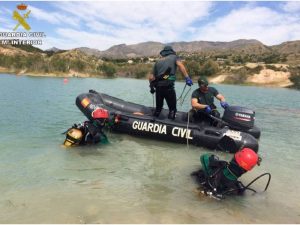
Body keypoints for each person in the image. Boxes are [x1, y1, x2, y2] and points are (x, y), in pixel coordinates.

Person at [191, 148, 260, 199]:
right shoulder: (238, 190)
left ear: (234, 158)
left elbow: (204, 157)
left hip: (198, 182)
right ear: (245, 171)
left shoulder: (217, 167)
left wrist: (216, 161)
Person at [149, 45, 193, 120]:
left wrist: (152, 87)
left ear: (164, 52)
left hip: (158, 87)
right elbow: (180, 65)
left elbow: (151, 77)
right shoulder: (174, 57)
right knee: (172, 109)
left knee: (158, 109)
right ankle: (170, 124)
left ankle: (152, 123)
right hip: (168, 86)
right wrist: (187, 78)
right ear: (171, 51)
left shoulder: (158, 61)